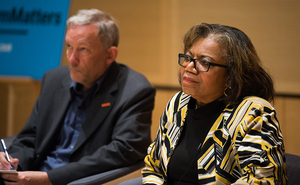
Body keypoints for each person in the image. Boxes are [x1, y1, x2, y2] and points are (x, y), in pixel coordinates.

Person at [0, 9, 155, 185]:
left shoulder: (135, 90)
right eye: (69, 47)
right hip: (32, 175)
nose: (72, 59)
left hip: (77, 180)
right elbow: (30, 137)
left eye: (83, 49)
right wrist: (13, 166)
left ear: (110, 54)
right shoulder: (54, 79)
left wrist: (48, 179)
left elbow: (124, 150)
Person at [142, 23, 287, 184]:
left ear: (232, 75)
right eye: (188, 58)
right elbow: (153, 167)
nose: (190, 67)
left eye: (204, 62)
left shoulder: (253, 113)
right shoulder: (178, 103)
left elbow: (262, 180)